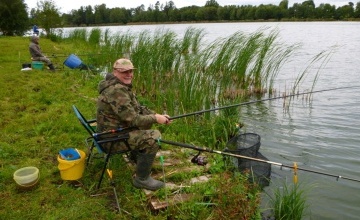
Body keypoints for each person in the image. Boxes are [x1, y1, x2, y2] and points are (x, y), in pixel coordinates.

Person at [96, 58, 172, 191]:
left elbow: (137, 108)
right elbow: (133, 120)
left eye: (131, 71)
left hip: (113, 132)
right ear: (115, 72)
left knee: (146, 124)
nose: (129, 74)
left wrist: (158, 115)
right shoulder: (116, 91)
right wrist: (155, 118)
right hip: (110, 140)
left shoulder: (119, 86)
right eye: (124, 71)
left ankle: (136, 156)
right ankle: (142, 179)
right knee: (153, 136)